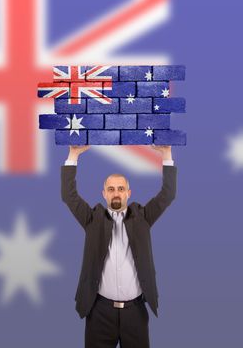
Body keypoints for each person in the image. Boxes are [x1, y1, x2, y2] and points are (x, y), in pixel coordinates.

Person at [61, 145, 177, 348]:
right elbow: (69, 196)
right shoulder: (92, 219)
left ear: (128, 193)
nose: (116, 193)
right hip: (99, 312)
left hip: (136, 313)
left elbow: (167, 195)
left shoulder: (143, 217)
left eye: (121, 189)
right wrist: (73, 155)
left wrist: (166, 155)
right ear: (104, 193)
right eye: (111, 189)